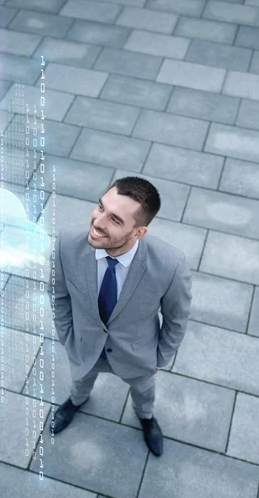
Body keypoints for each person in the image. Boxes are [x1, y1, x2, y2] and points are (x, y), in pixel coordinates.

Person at [47, 176, 192, 456]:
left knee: (144, 391)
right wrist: (67, 336)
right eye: (100, 207)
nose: (98, 222)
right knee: (80, 381)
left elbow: (177, 318)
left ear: (138, 233)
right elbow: (59, 295)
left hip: (138, 354)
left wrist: (160, 358)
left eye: (115, 220)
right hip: (85, 345)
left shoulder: (171, 266)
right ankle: (76, 401)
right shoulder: (67, 244)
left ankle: (146, 418)